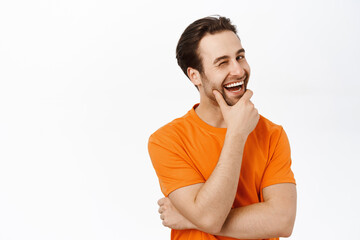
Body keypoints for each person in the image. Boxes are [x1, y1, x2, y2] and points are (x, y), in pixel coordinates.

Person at [148, 15, 296, 240]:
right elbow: (209, 218)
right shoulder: (167, 140)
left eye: (240, 57)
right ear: (195, 75)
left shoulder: (272, 135)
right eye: (222, 62)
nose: (238, 70)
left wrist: (190, 219)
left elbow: (282, 221)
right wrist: (236, 134)